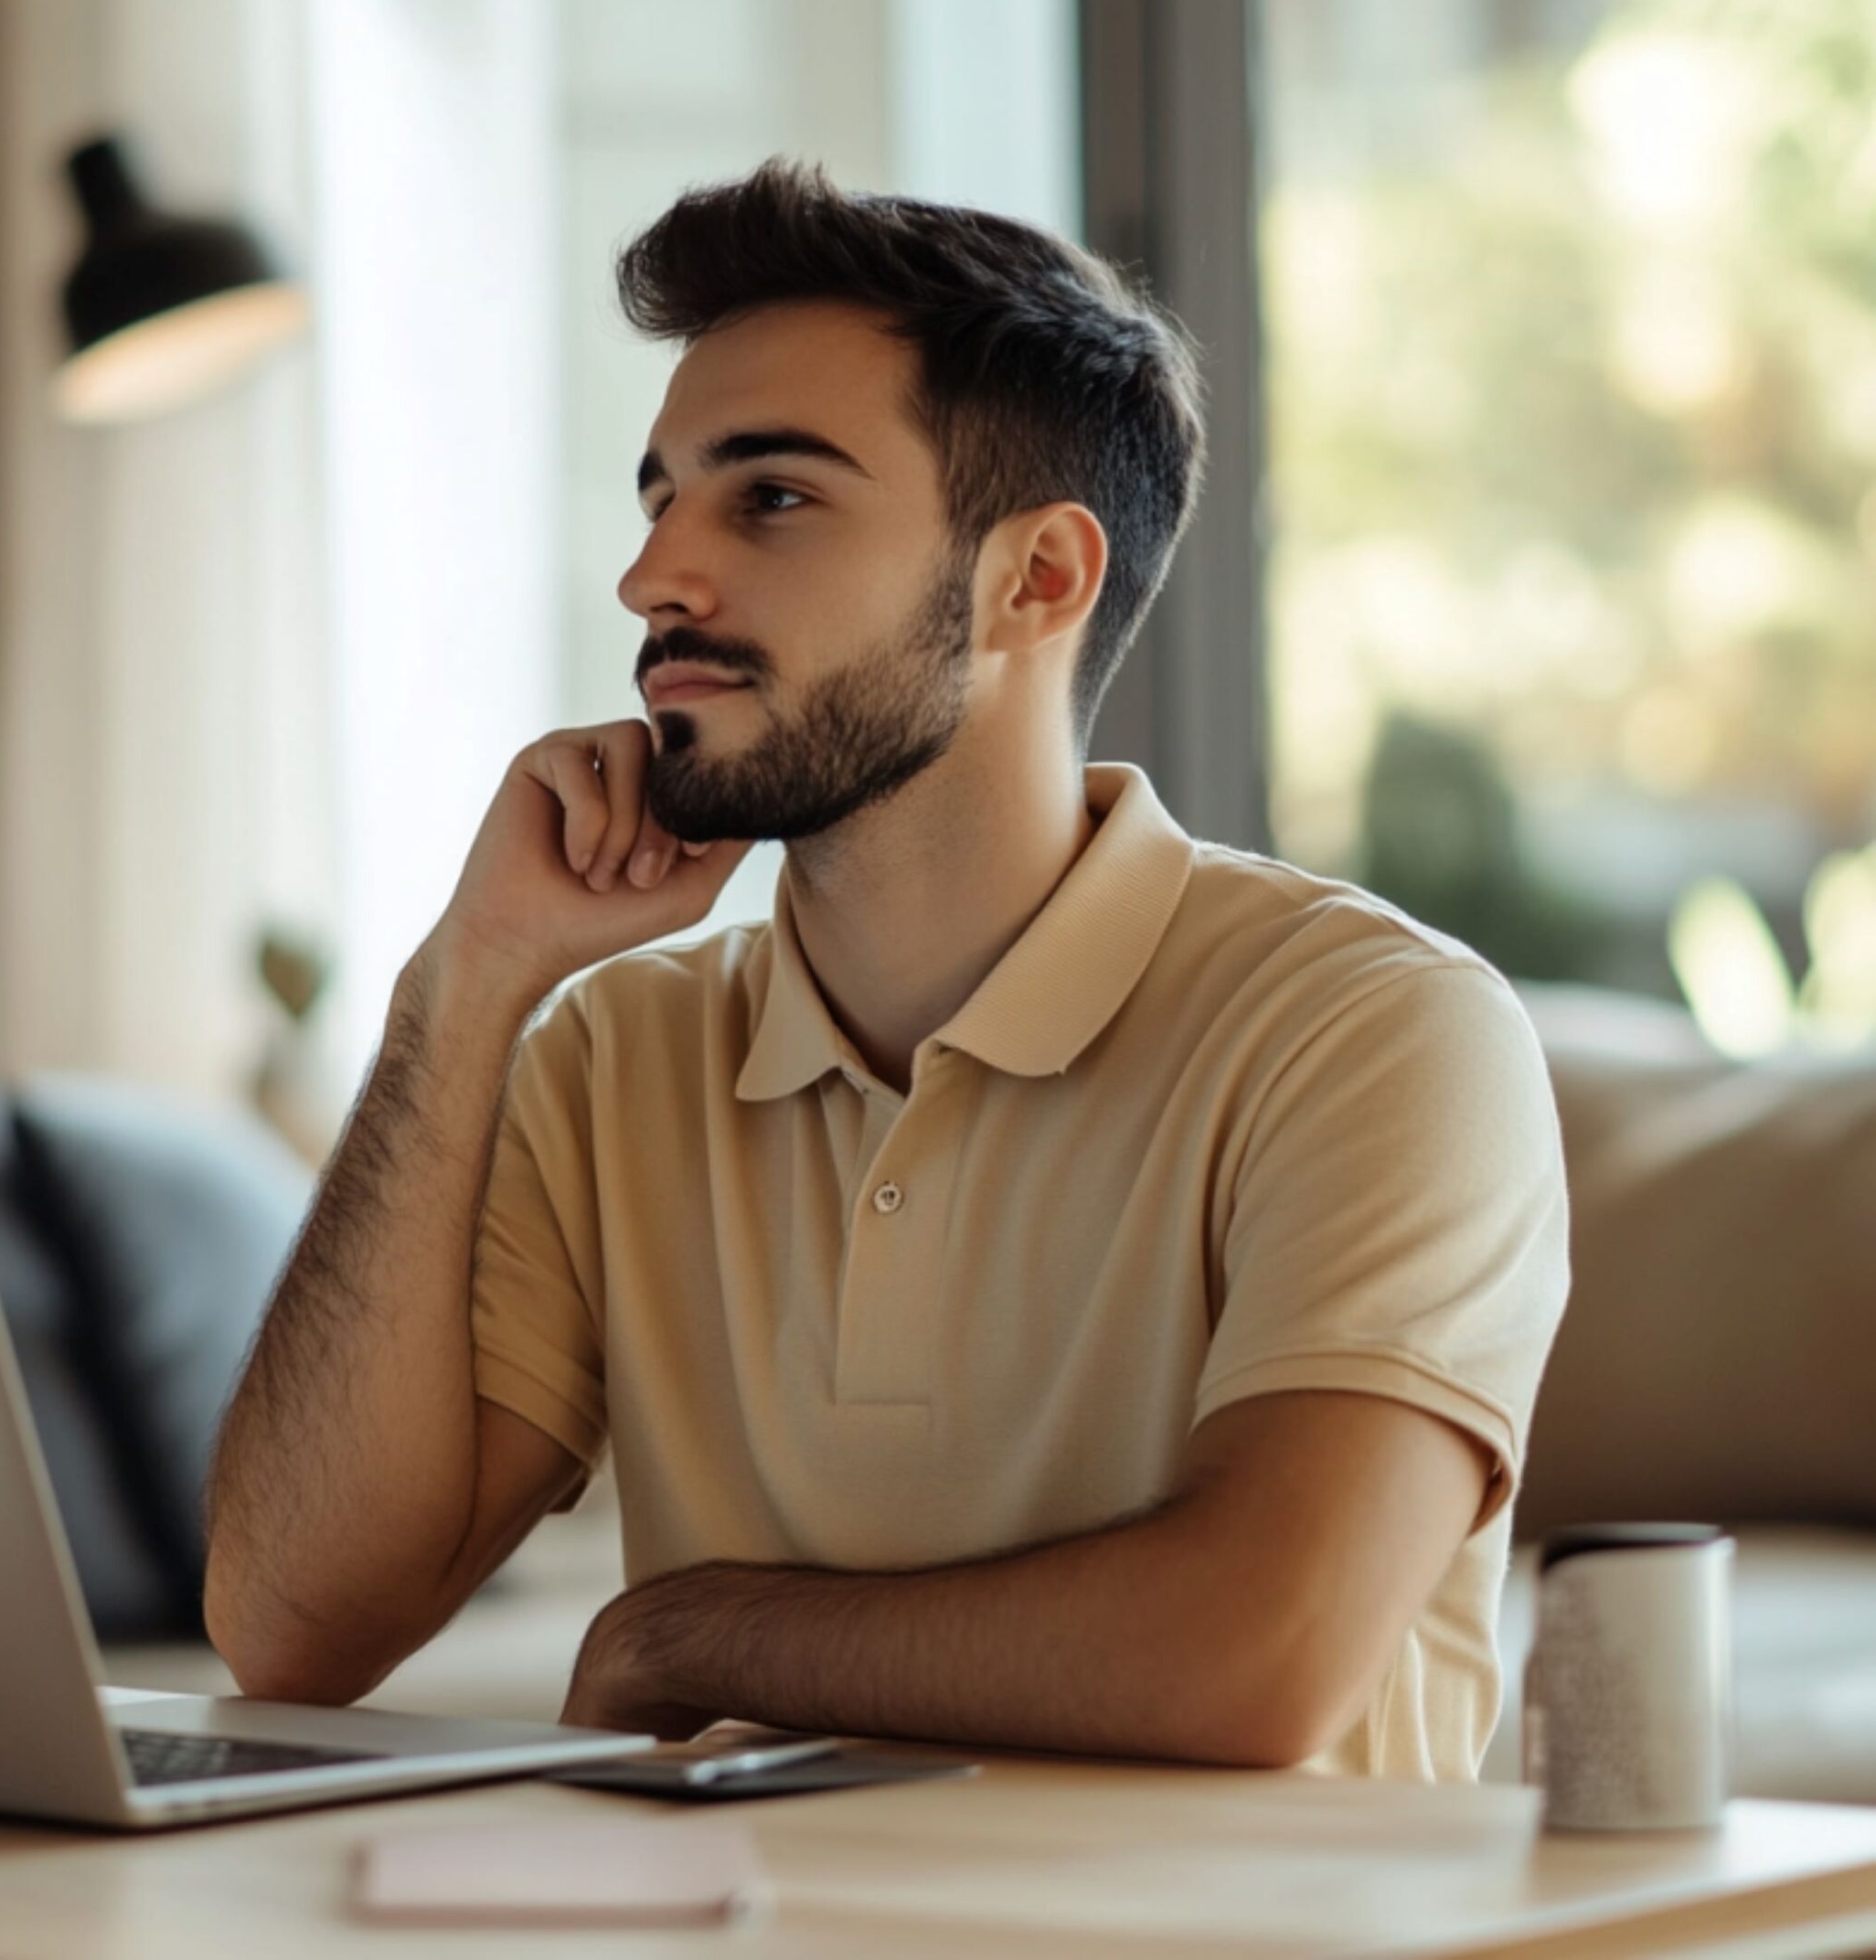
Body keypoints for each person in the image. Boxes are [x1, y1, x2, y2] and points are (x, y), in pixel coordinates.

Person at [205, 158, 1569, 1779]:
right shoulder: (607, 1055)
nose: (656, 579)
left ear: (1035, 580)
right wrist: (466, 985)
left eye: (768, 496)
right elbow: (294, 1628)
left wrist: (687, 1633)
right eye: (659, 500)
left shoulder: (1375, 1031)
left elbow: (1255, 1652)